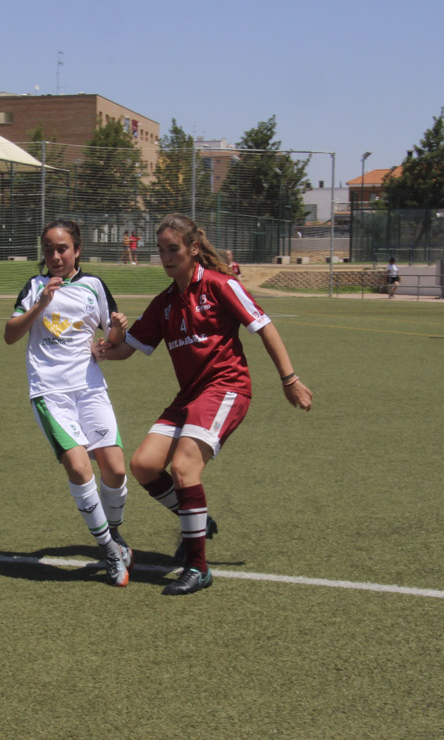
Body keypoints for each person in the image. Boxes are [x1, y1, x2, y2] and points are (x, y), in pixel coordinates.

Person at [96, 214, 313, 596]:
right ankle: (194, 518)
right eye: (160, 250)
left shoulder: (219, 285)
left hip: (227, 389)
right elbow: (126, 348)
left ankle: (198, 567)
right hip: (190, 396)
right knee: (144, 465)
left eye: (173, 249)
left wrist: (289, 379)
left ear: (193, 248)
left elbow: (264, 326)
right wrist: (99, 349)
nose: (165, 257)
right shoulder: (164, 303)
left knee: (183, 467)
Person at [4, 219, 132, 587]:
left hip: (90, 388)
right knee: (79, 469)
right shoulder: (34, 287)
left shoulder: (94, 286)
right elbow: (10, 335)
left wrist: (118, 329)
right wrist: (40, 304)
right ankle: (108, 549)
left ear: (77, 250)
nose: (55, 256)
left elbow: (112, 338)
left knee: (116, 470)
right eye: (49, 249)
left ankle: (115, 533)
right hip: (50, 393)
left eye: (62, 248)